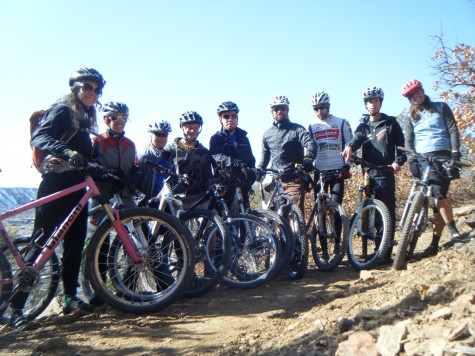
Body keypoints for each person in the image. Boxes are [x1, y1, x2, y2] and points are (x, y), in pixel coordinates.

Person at [9, 67, 106, 331]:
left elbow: (83, 152)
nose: (93, 93)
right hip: (56, 185)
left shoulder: (85, 117)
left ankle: (69, 298)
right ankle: (16, 309)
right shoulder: (63, 109)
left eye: (97, 89)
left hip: (77, 185)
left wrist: (96, 164)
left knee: (74, 245)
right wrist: (65, 151)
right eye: (88, 87)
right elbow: (39, 136)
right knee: (40, 244)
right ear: (76, 88)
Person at [342, 86, 406, 263]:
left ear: (381, 102)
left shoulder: (391, 123)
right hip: (368, 174)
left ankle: (384, 253)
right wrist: (349, 147)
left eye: (376, 100)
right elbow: (355, 140)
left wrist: (397, 162)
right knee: (367, 213)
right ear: (365, 104)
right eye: (370, 101)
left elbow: (401, 149)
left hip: (386, 173)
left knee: (387, 213)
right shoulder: (363, 126)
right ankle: (367, 251)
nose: (373, 104)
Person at [401, 79, 462, 255]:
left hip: (442, 155)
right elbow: (409, 140)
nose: (415, 96)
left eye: (417, 92)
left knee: (438, 194)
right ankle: (435, 242)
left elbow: (453, 130)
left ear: (422, 90)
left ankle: (453, 234)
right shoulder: (411, 117)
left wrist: (455, 154)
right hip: (422, 157)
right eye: (411, 95)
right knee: (432, 196)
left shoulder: (441, 107)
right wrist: (411, 158)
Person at [88, 102, 140, 306]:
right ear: (106, 120)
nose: (120, 121)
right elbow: (87, 168)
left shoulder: (130, 144)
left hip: (123, 194)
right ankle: (99, 291)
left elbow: (135, 167)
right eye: (115, 117)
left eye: (124, 117)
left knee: (132, 240)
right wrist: (103, 173)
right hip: (101, 195)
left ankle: (127, 288)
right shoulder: (96, 141)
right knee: (100, 244)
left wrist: (133, 177)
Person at [257, 95, 317, 216]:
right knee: (278, 216)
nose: (280, 111)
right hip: (276, 181)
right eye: (276, 109)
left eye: (283, 108)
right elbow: (265, 156)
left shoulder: (297, 129)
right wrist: (259, 170)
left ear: (287, 110)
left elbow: (310, 143)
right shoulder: (267, 134)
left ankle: (298, 235)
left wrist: (308, 159)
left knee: (294, 213)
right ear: (272, 111)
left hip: (294, 177)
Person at [308, 91, 353, 204]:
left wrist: (347, 165)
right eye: (316, 108)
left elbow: (351, 145)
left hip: (338, 169)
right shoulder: (311, 126)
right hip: (319, 170)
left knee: (336, 207)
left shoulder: (342, 122)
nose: (319, 111)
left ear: (328, 106)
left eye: (322, 107)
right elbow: (310, 149)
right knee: (320, 209)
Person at [209, 101, 256, 210]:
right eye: (226, 116)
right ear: (220, 118)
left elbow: (250, 158)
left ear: (237, 118)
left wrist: (253, 171)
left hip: (242, 183)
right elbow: (218, 157)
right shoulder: (216, 139)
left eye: (233, 116)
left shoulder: (244, 138)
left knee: (246, 219)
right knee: (227, 223)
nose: (230, 119)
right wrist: (236, 164)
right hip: (225, 185)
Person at [162, 111, 214, 209]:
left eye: (196, 128)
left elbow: (208, 176)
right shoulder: (170, 150)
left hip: (198, 199)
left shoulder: (204, 152)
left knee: (208, 223)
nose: (193, 131)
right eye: (189, 128)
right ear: (182, 127)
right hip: (175, 199)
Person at [137, 119, 172, 200]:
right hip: (148, 203)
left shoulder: (169, 155)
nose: (161, 138)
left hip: (166, 202)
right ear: (150, 134)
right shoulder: (143, 156)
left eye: (164, 135)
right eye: (157, 134)